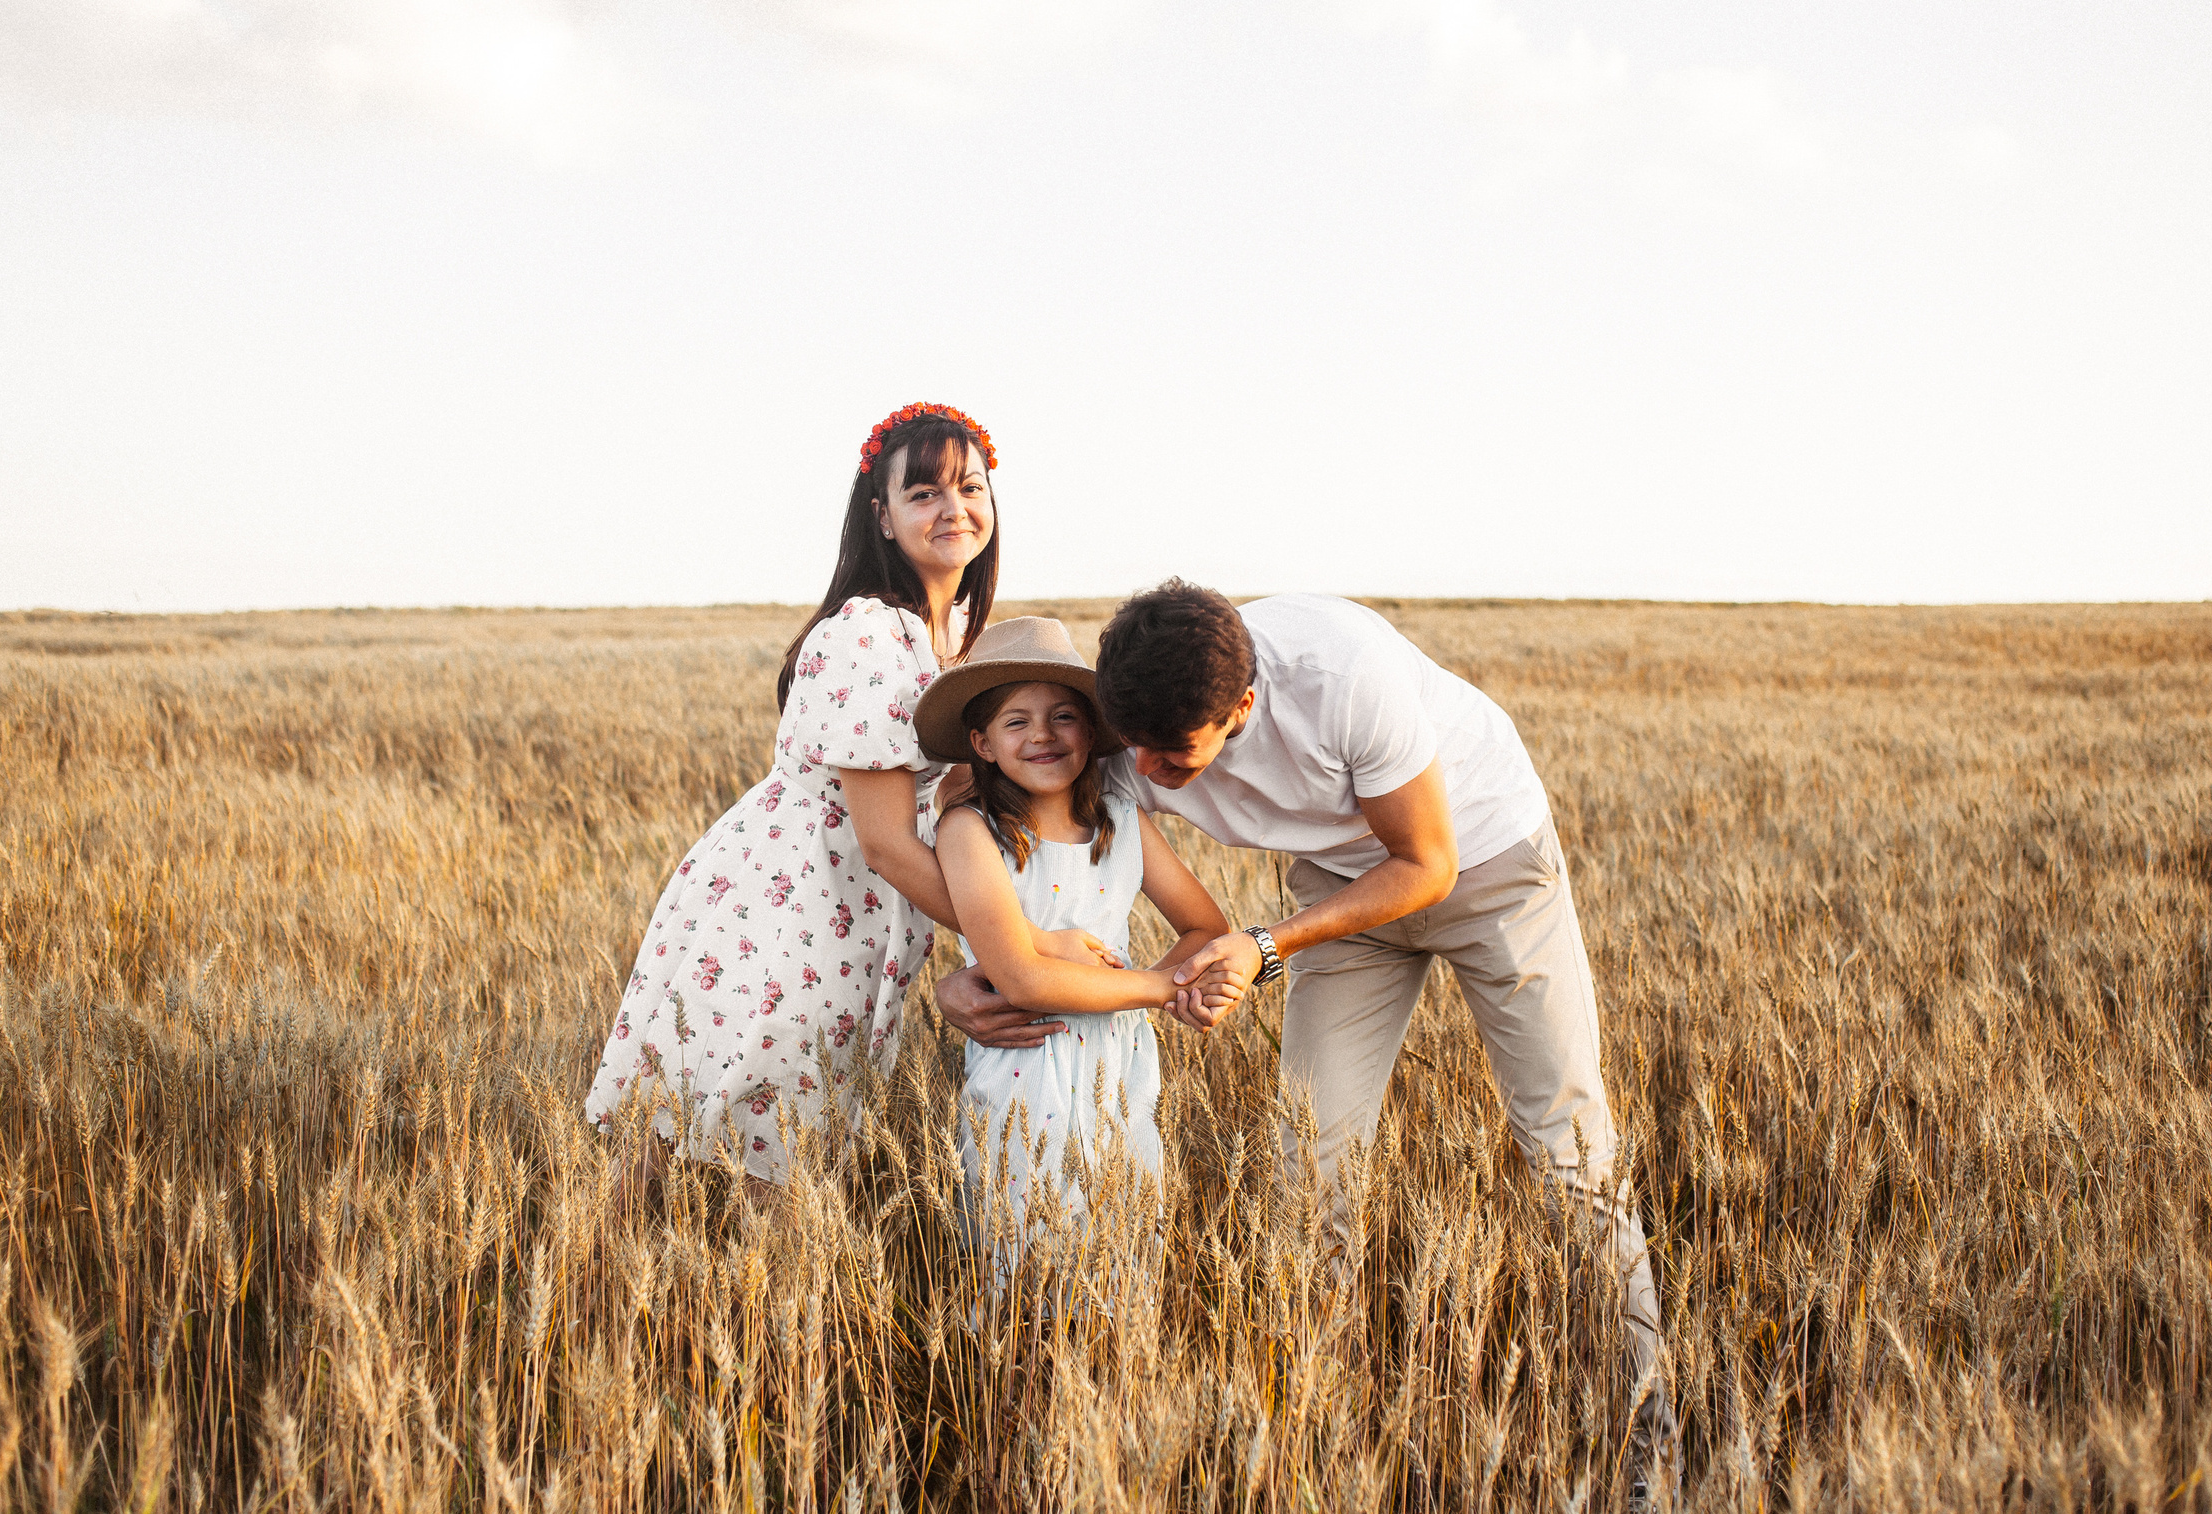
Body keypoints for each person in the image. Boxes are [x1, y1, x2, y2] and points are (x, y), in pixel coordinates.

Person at [933, 581, 1681, 1497]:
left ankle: (1650, 1446)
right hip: (1339, 888)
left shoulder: (1343, 675)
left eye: (1177, 758)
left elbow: (1426, 864)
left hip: (1485, 863)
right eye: (1137, 748)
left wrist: (1262, 947)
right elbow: (975, 814)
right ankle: (1325, 1434)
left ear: (1243, 709)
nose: (1150, 771)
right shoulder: (1128, 724)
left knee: (1569, 1155)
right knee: (1306, 1161)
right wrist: (971, 965)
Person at [585, 404, 1108, 1184]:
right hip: (794, 900)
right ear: (883, 518)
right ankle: (592, 1294)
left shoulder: (960, 636)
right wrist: (1023, 947)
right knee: (710, 1139)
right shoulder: (867, 633)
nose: (952, 508)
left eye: (969, 487)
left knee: (776, 1140)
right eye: (923, 493)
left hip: (864, 912)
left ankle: (670, 1298)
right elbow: (887, 840)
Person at [914, 616, 1234, 1264]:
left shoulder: (1122, 820)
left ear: (1092, 730)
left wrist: (1147, 993)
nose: (1042, 734)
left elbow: (1206, 927)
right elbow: (1023, 979)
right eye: (1016, 721)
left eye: (1063, 715)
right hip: (1023, 1065)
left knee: (1123, 1241)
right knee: (1025, 1248)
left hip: (1119, 1064)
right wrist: (1160, 989)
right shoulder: (970, 832)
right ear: (981, 742)